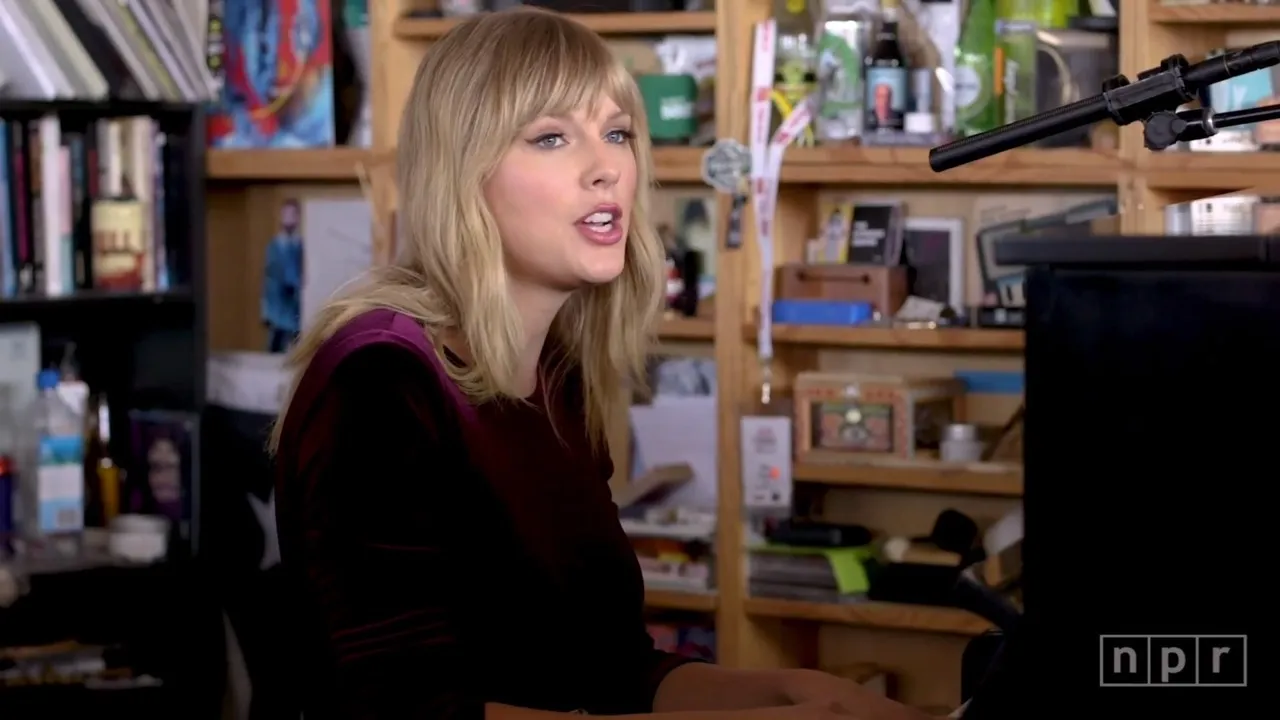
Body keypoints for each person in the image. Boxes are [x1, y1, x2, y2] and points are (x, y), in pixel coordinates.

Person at [269, 8, 942, 720]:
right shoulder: (378, 380)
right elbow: (406, 711)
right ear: (464, 173)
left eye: (617, 132)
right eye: (552, 137)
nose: (606, 168)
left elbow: (611, 673)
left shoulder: (557, 376)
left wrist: (807, 695)